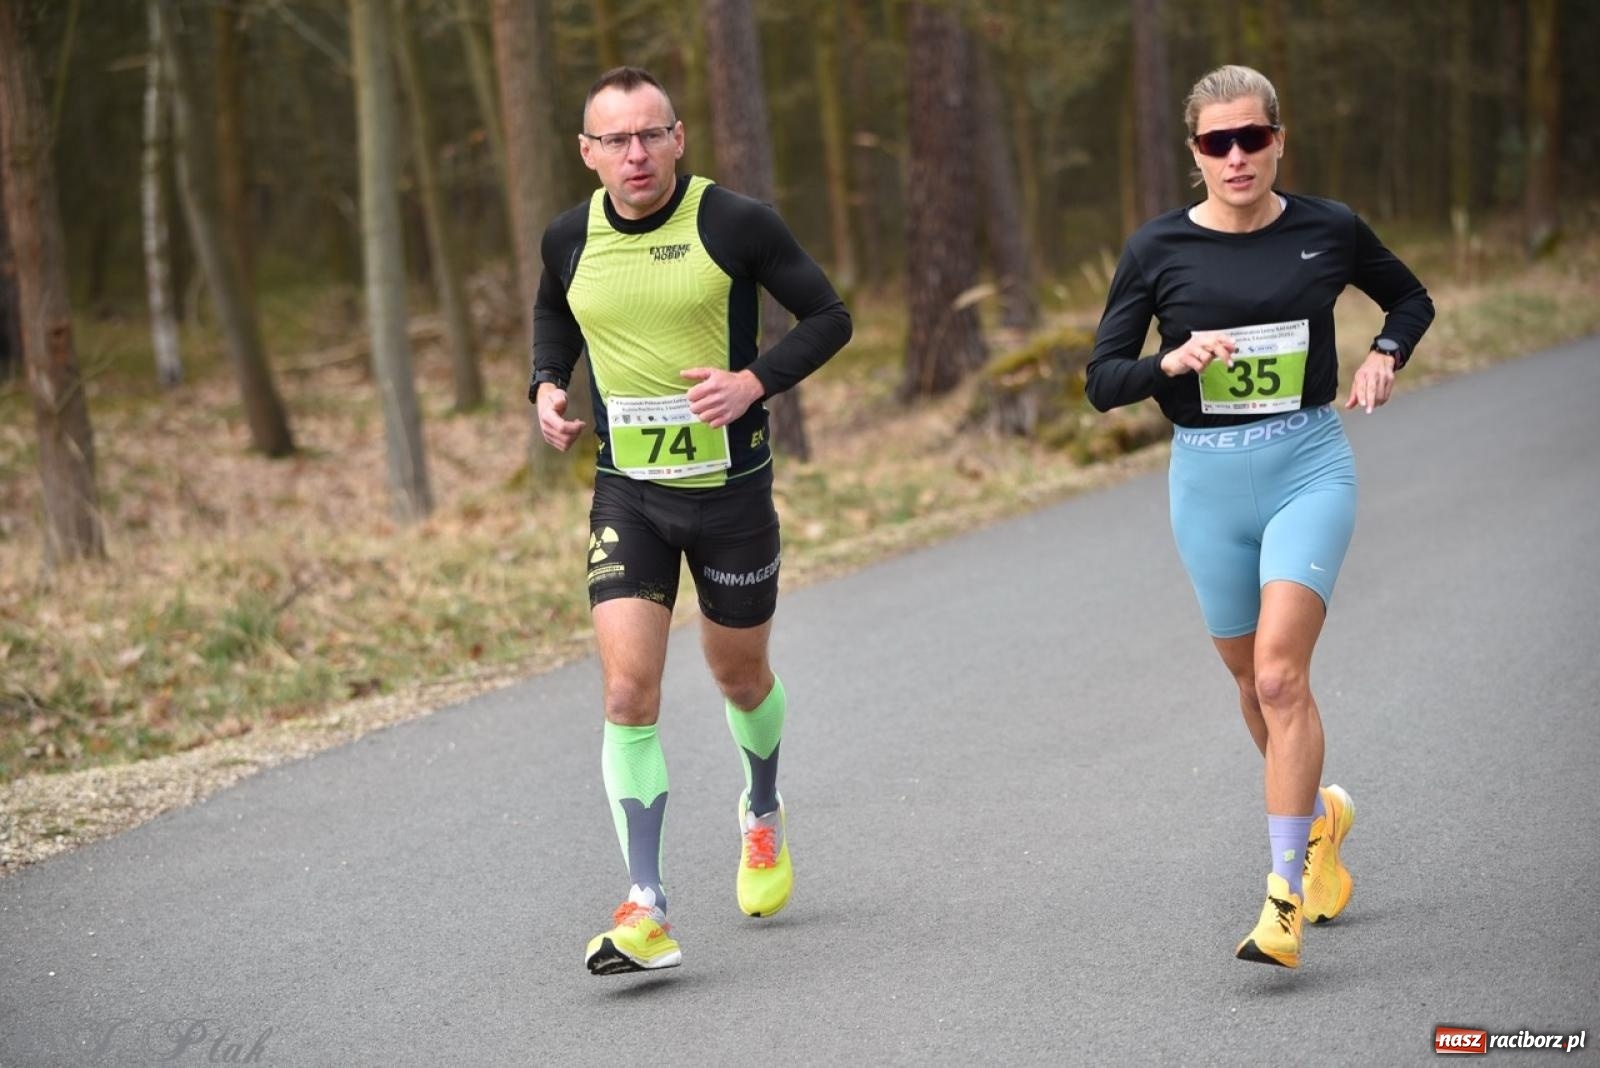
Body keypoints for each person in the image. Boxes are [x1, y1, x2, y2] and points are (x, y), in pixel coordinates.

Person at [1085, 65, 1433, 969]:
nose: (1236, 157)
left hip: (1308, 465)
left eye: (1252, 138)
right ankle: (1320, 817)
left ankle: (1283, 896)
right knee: (1249, 683)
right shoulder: (1156, 248)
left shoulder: (1329, 227)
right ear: (1194, 154)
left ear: (1279, 139)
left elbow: (1412, 297)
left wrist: (1384, 352)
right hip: (1206, 482)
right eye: (1216, 142)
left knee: (1281, 678)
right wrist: (1170, 361)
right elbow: (1100, 382)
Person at [530, 67, 852, 976]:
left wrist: (754, 381)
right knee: (628, 694)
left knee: (739, 677)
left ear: (679, 140)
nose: (635, 155)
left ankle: (760, 808)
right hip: (627, 491)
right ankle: (646, 903)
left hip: (731, 493)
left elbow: (830, 316)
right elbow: (557, 317)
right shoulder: (568, 237)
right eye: (615, 141)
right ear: (587, 153)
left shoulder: (734, 223)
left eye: (650, 135)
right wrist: (547, 386)